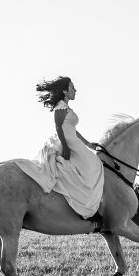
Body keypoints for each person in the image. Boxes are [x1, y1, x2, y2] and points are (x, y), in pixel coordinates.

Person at [15, 76, 105, 219]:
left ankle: (91, 204)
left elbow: (72, 128)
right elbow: (58, 126)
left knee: (92, 165)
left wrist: (88, 143)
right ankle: (84, 206)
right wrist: (65, 146)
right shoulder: (60, 107)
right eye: (72, 88)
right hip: (67, 143)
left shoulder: (66, 107)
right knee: (91, 165)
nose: (75, 90)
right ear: (64, 91)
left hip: (72, 141)